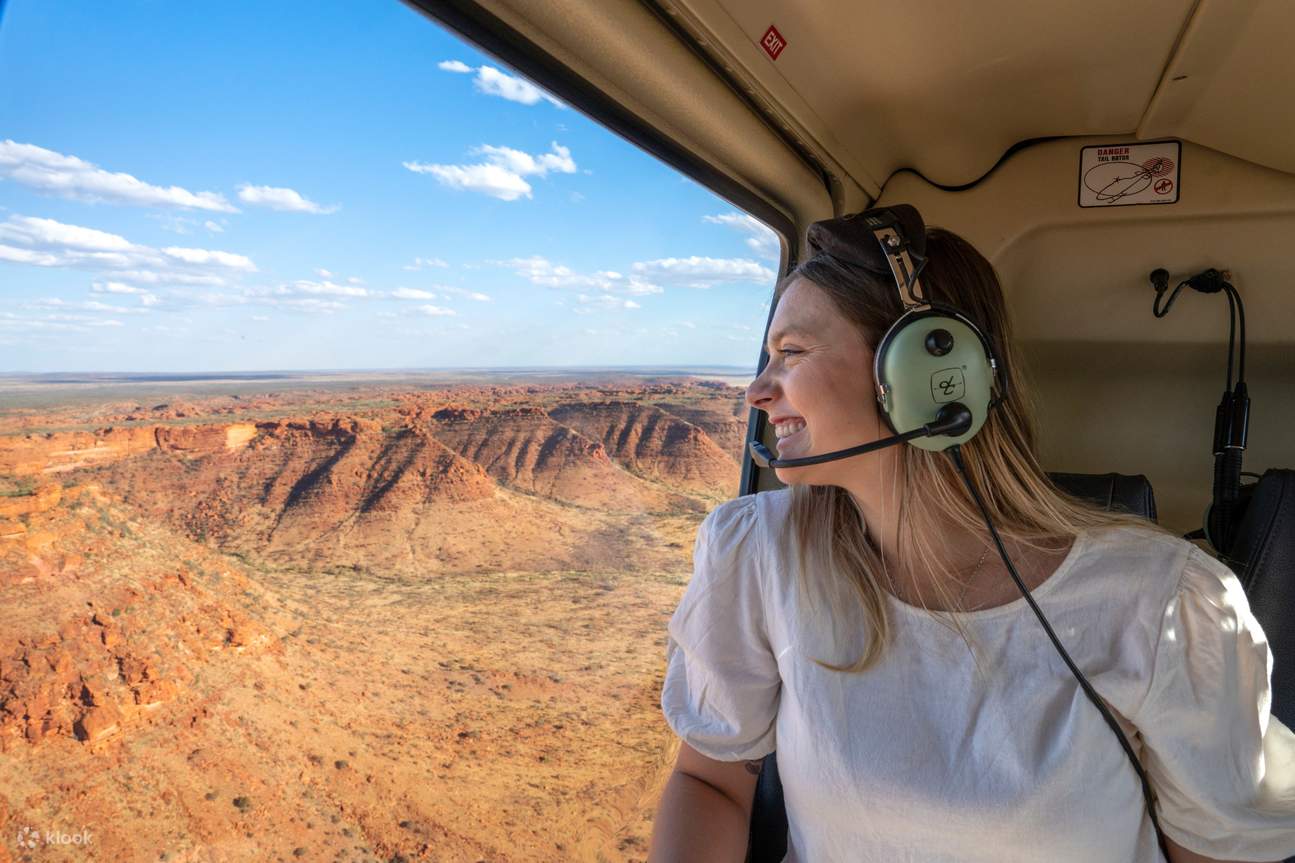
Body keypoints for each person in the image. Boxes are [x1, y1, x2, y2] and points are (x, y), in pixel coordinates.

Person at [647, 213, 1295, 863]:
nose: (757, 392)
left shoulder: (1164, 602)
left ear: (930, 369)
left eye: (789, 353)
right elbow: (710, 781)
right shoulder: (758, 554)